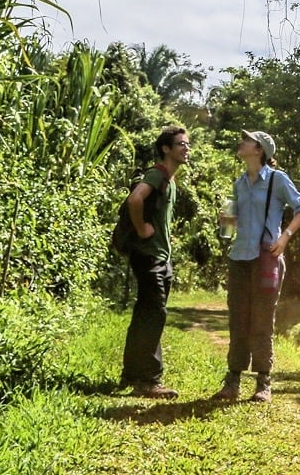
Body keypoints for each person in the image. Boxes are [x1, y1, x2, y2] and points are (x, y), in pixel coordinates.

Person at [214, 129, 300, 403]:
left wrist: (284, 238)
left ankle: (263, 383)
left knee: (262, 320)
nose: (241, 142)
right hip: (239, 258)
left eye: (247, 140)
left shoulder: (277, 180)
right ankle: (232, 382)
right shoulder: (239, 183)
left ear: (259, 150)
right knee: (238, 319)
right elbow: (229, 229)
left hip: (266, 258)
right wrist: (226, 220)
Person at [119, 124, 190, 399]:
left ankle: (131, 374)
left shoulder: (170, 181)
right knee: (154, 313)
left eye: (187, 144)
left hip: (161, 256)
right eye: (181, 144)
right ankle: (148, 380)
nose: (187, 149)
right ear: (166, 149)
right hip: (149, 255)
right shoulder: (157, 174)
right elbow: (135, 199)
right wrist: (141, 229)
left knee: (144, 313)